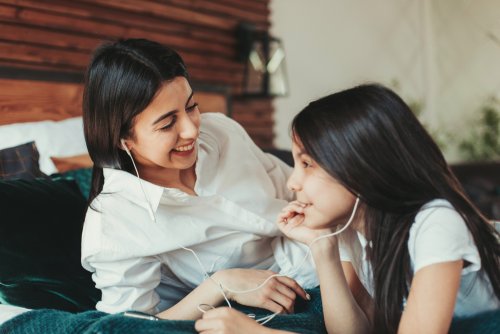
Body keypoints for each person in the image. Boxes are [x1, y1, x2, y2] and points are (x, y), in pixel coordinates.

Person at [195, 84, 500, 333]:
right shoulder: (356, 229)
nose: (293, 183)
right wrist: (322, 247)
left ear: (359, 167)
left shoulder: (437, 223)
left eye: (307, 164)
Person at [80, 38, 318, 320]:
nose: (191, 130)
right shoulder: (115, 223)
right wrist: (221, 284)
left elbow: (296, 187)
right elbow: (132, 325)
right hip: (264, 314)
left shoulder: (222, 131)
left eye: (191, 107)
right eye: (168, 123)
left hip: (331, 260)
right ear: (122, 139)